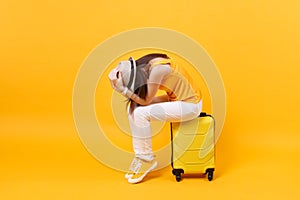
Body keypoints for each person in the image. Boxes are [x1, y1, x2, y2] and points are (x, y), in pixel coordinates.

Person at [108, 53, 203, 184]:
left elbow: (146, 101)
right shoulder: (147, 64)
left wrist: (123, 90)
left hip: (190, 105)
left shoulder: (157, 70)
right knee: (133, 109)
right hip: (176, 99)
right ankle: (141, 155)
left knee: (141, 113)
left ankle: (147, 159)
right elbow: (143, 100)